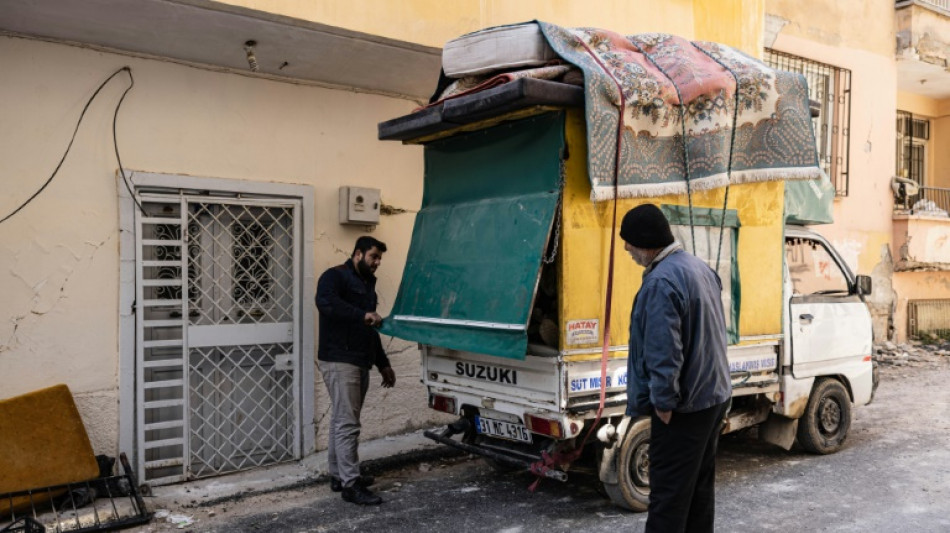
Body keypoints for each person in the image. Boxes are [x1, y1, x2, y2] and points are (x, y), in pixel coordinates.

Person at [620, 204, 731, 533]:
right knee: (698, 491)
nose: (627, 249)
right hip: (713, 397)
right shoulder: (698, 267)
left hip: (685, 407)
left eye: (629, 243)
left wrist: (664, 403)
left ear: (645, 242)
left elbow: (664, 352)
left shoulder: (660, 283)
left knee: (667, 498)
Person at [316, 236, 396, 506]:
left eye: (380, 259)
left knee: (342, 420)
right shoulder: (334, 276)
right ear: (358, 254)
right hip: (339, 359)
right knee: (348, 423)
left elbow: (370, 328)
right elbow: (325, 303)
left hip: (359, 359)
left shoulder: (368, 285)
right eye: (374, 257)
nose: (377, 263)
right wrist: (362, 315)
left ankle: (339, 476)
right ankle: (351, 484)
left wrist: (382, 363)